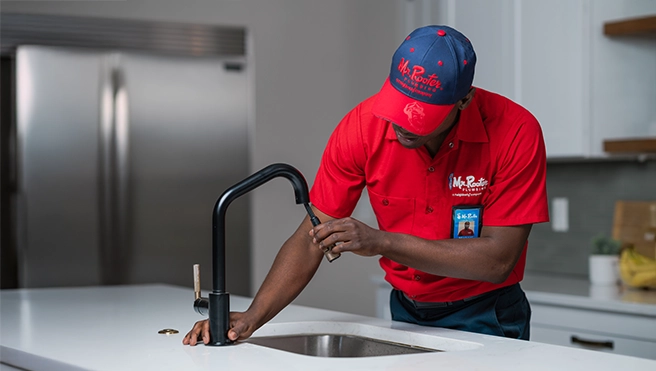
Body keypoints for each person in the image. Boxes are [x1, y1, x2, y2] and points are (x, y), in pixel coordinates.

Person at [183, 25, 549, 345]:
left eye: (419, 116)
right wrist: (253, 316)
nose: (402, 124)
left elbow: (498, 261)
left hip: (487, 314)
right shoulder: (362, 126)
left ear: (464, 100)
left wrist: (381, 242)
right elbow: (312, 237)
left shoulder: (515, 131)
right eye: (398, 106)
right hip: (405, 310)